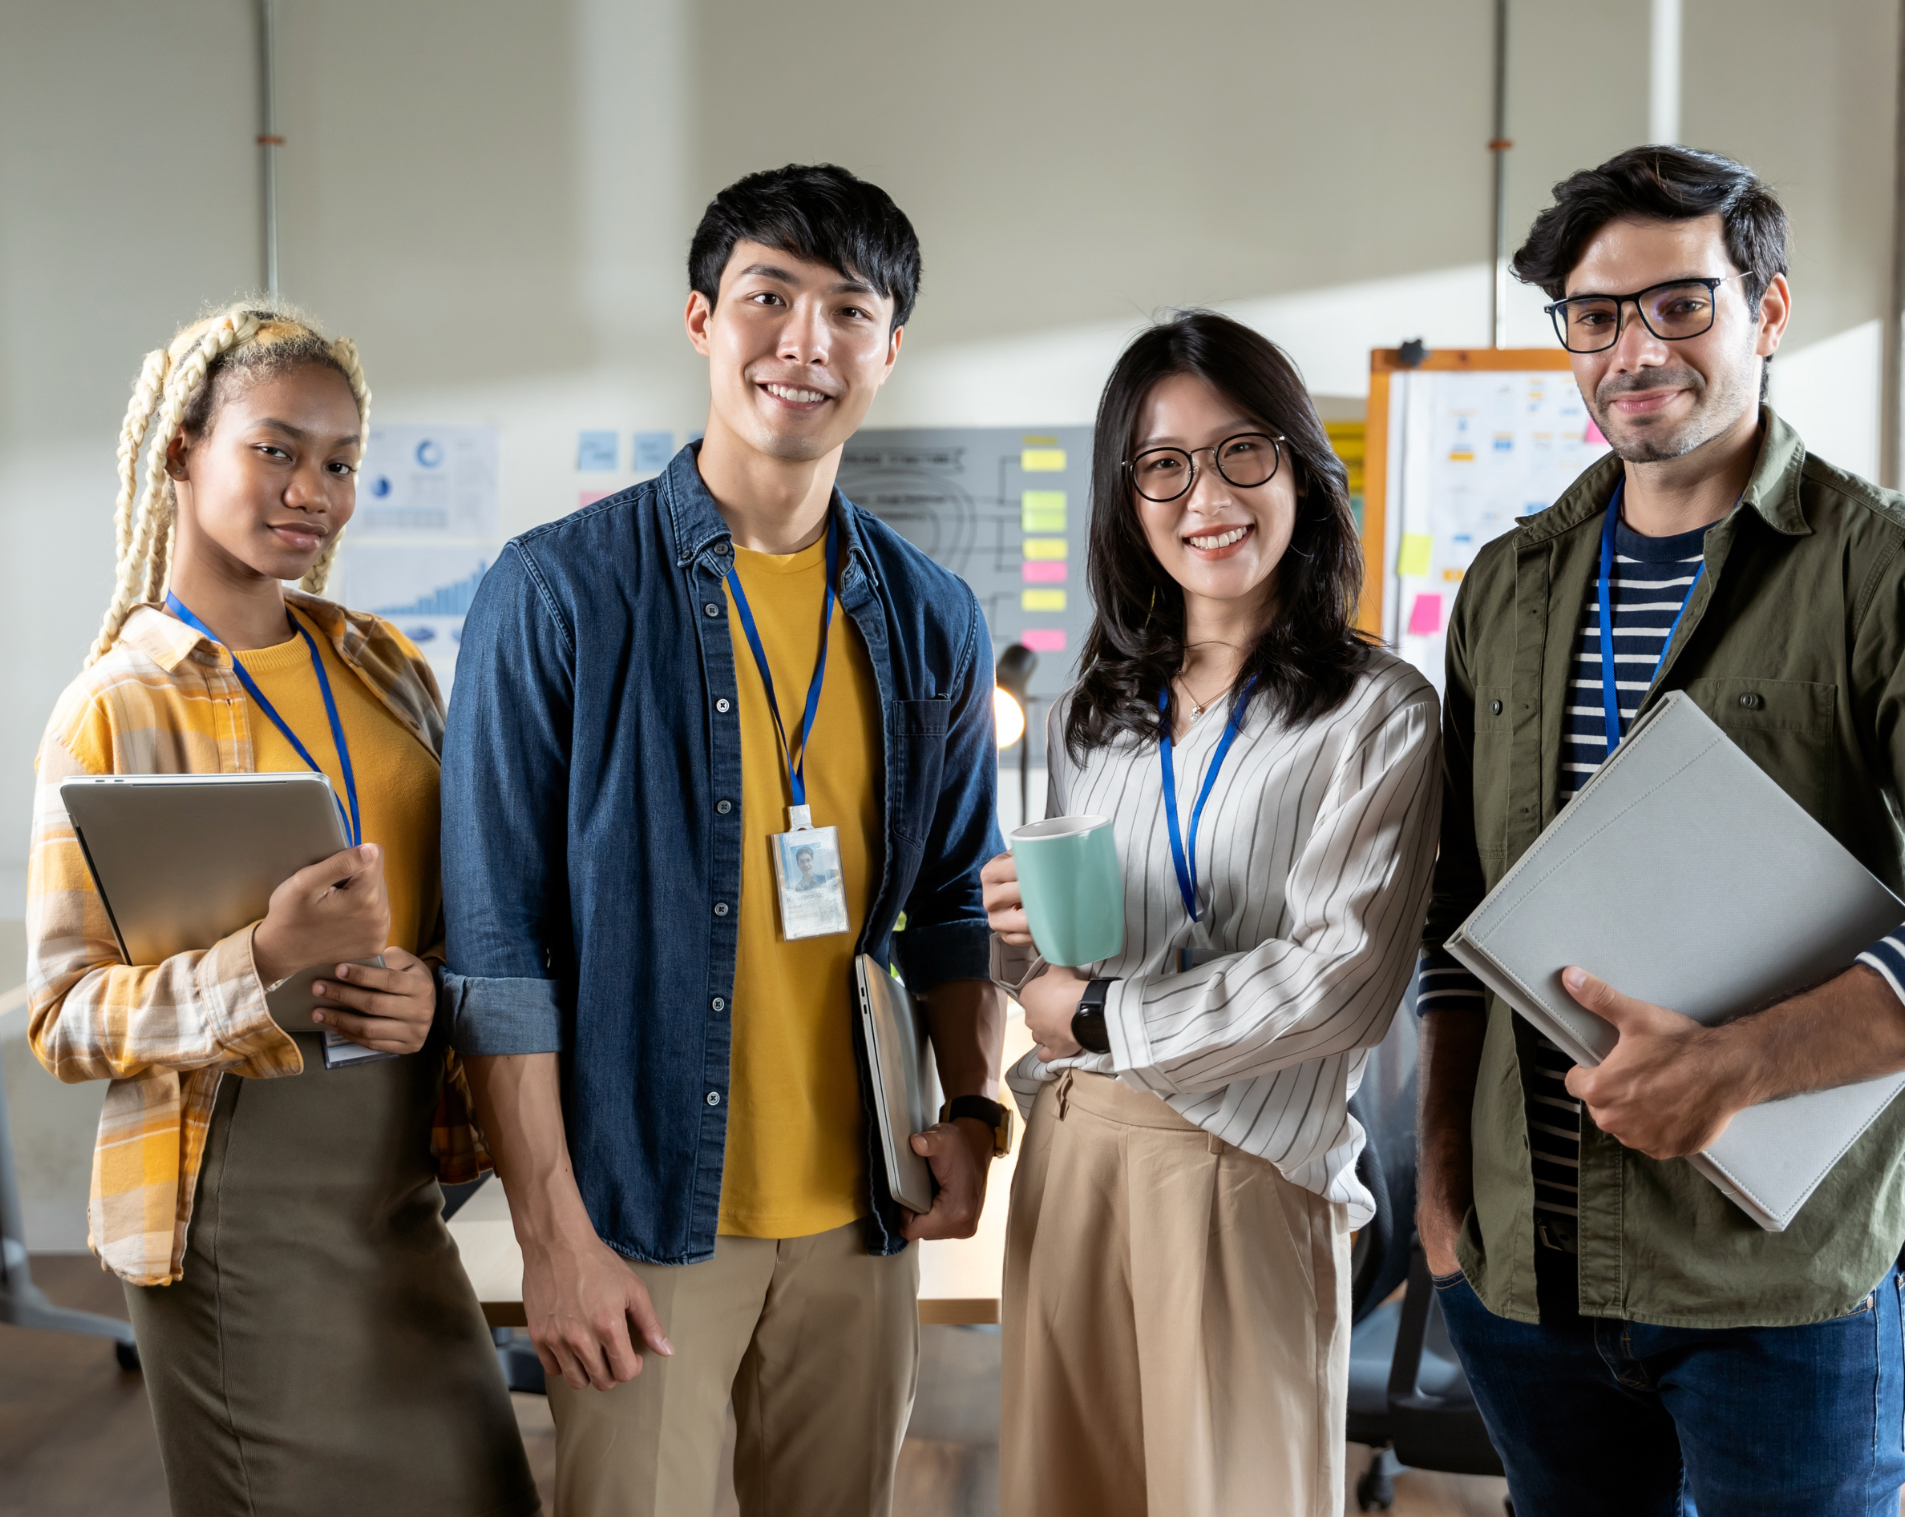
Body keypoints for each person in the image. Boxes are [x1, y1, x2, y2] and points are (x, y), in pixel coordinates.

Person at [441, 163, 1010, 1517]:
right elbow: (495, 944)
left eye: (846, 311)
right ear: (701, 318)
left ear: (890, 349)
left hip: (860, 1219)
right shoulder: (557, 591)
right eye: (769, 297)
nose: (803, 344)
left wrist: (977, 1110)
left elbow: (947, 903)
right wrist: (552, 1237)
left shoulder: (929, 614)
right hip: (643, 1216)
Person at [1418, 145, 1905, 1516]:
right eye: (1595, 314)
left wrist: (1740, 1064)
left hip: (1775, 1286)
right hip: (1526, 1279)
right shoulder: (1505, 588)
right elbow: (1461, 909)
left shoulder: (1874, 569)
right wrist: (1446, 1199)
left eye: (1680, 305)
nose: (1634, 348)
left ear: (1767, 310)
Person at [24, 303, 538, 1517]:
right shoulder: (116, 705)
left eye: (342, 460)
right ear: (180, 451)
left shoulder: (383, 665)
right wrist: (263, 957)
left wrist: (429, 982)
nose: (314, 488)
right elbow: (60, 1017)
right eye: (276, 448)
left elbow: (466, 910)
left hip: (402, 1181)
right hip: (231, 1201)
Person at [982, 311, 1442, 1517]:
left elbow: (1342, 978)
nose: (1207, 496)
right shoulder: (1101, 706)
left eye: (1243, 451)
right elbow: (1065, 961)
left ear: (1296, 463)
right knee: (1062, 1492)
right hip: (1075, 1146)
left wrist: (1094, 1014)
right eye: (1164, 464)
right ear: (1127, 497)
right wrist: (1016, 935)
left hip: (1243, 1168)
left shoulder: (1376, 709)